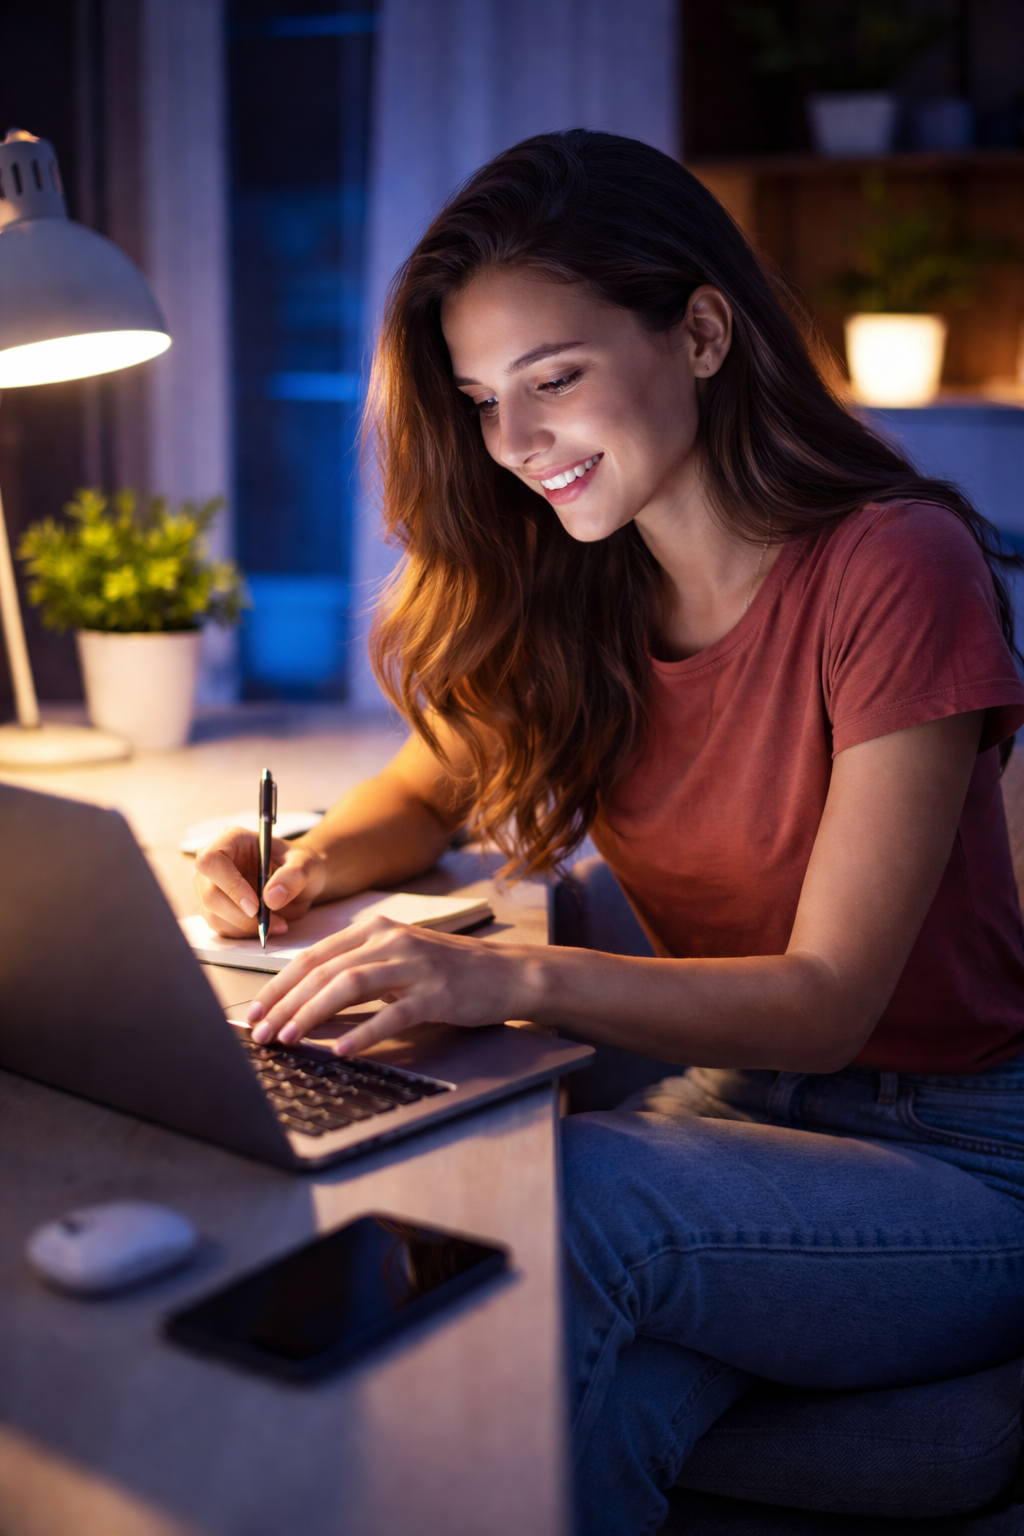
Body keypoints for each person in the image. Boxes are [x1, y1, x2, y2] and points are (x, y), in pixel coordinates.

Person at [196, 131, 1024, 1534]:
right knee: (561, 1381)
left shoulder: (893, 567)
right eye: (479, 400)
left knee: (559, 1211)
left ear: (700, 332)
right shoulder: (584, 585)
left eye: (554, 378)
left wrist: (500, 974)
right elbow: (426, 787)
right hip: (739, 1125)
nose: (513, 445)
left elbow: (828, 1006)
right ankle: (938, 1437)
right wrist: (313, 860)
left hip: (958, 1160)